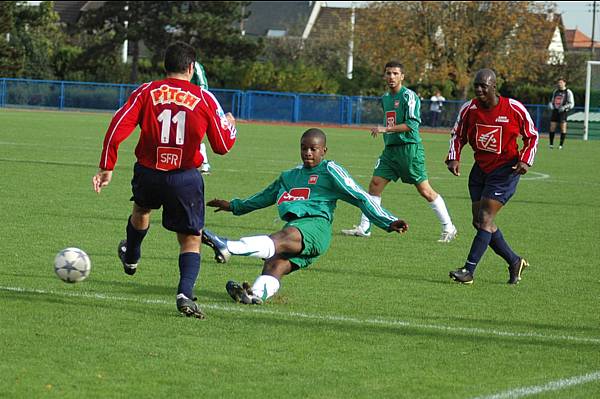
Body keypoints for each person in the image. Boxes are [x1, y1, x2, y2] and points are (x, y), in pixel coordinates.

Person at [92, 41, 237, 318]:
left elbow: (117, 125)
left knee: (141, 209)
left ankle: (132, 255)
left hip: (148, 173)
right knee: (191, 239)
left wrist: (106, 166)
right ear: (191, 68)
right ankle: (184, 292)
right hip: (184, 178)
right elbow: (222, 146)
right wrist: (230, 124)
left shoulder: (146, 91)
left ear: (165, 66)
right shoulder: (204, 98)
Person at [201, 128, 409, 305]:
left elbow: (360, 196)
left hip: (316, 228)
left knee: (282, 237)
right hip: (299, 229)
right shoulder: (289, 176)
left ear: (324, 151)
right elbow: (263, 197)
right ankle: (255, 295)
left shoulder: (330, 170)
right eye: (304, 148)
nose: (308, 152)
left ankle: (228, 247)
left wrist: (388, 221)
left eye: (313, 149)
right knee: (275, 264)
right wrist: (233, 206)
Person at [341, 61, 457, 242]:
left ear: (402, 76)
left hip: (409, 150)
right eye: (388, 73)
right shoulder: (385, 98)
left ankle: (449, 227)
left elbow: (411, 125)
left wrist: (384, 130)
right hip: (390, 151)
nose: (391, 77)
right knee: (375, 184)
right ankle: (365, 228)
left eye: (395, 73)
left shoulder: (409, 97)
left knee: (425, 191)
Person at [446, 68, 538, 285]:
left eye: (483, 86)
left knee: (486, 218)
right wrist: (454, 157)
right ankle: (515, 261)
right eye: (476, 85)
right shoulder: (469, 109)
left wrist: (525, 160)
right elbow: (457, 134)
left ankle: (468, 271)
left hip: (506, 170)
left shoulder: (514, 108)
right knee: (479, 222)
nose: (478, 89)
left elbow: (532, 136)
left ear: (494, 87)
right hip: (480, 169)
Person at [191, 61, 212, 174]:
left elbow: (203, 84)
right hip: (184, 102)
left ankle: (204, 163)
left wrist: (201, 100)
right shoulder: (179, 65)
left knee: (196, 134)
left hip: (194, 103)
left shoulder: (195, 65)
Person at [548, 77, 574, 149]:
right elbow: (553, 100)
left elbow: (571, 104)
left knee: (563, 128)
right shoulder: (555, 91)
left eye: (561, 83)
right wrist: (551, 104)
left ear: (564, 83)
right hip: (555, 111)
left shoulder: (568, 92)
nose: (560, 84)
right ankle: (551, 144)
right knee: (552, 127)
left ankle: (561, 145)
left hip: (563, 112)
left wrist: (564, 108)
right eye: (559, 83)